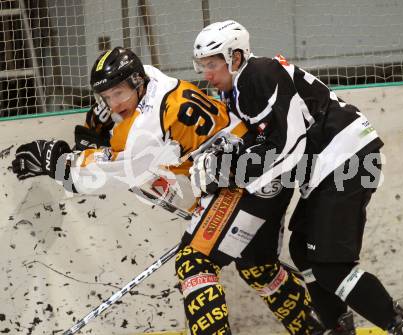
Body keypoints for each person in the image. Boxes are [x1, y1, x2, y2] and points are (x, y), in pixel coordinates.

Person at [12, 47, 323, 335]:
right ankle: (319, 328)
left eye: (118, 93)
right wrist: (95, 129)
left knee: (194, 262)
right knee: (258, 265)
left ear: (135, 82)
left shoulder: (148, 129)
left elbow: (108, 172)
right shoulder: (151, 78)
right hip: (261, 175)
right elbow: (111, 116)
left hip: (244, 182)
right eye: (107, 97)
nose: (114, 103)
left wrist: (62, 163)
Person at [191, 19, 403, 335]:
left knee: (331, 267)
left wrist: (233, 174)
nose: (207, 74)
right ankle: (338, 328)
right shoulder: (238, 88)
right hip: (328, 164)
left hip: (346, 157)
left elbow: (287, 148)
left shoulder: (259, 75)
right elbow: (257, 144)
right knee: (304, 250)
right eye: (202, 65)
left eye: (212, 64)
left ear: (235, 57)